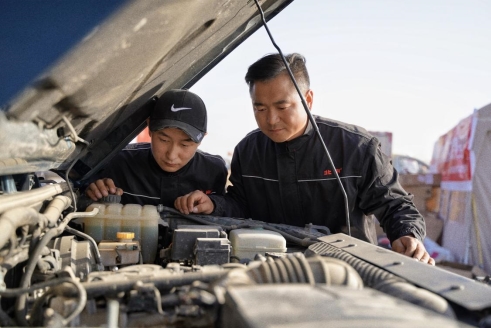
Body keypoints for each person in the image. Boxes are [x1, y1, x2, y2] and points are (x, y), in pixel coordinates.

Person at [174, 53, 435, 265]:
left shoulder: (356, 148)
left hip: (347, 271)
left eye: (282, 107)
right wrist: (214, 206)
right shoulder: (248, 150)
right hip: (268, 269)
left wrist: (406, 234)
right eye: (259, 108)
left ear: (308, 99)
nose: (271, 119)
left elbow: (395, 205)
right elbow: (241, 205)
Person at [85, 89, 228, 207]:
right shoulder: (118, 161)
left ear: (201, 138)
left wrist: (213, 205)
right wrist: (92, 191)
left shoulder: (214, 170)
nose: (171, 155)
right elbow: (80, 191)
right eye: (164, 140)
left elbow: (231, 208)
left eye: (184, 144)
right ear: (150, 128)